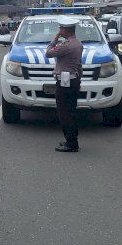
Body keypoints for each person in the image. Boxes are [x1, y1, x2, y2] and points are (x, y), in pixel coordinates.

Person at [45, 16, 84, 152]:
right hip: (73, 80)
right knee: (71, 111)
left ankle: (71, 143)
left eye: (61, 28)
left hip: (65, 82)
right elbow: (79, 66)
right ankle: (71, 140)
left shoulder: (67, 45)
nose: (59, 30)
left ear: (65, 30)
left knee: (64, 113)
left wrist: (54, 40)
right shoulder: (78, 43)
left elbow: (48, 53)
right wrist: (79, 80)